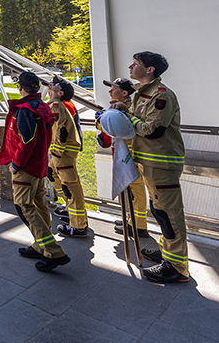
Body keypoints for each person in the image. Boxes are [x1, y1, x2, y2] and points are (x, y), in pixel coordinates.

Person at [110, 52, 188, 283]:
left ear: (150, 69)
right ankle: (167, 253)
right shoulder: (142, 94)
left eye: (136, 64)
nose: (131, 66)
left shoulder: (161, 95)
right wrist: (123, 110)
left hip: (162, 163)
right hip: (148, 162)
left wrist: (126, 115)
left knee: (169, 214)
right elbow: (137, 122)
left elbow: (152, 129)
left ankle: (176, 267)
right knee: (159, 211)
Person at [0, 71, 70, 272]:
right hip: (39, 165)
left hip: (27, 167)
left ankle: (54, 252)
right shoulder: (42, 107)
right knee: (40, 205)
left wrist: (17, 164)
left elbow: (26, 140)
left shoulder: (25, 109)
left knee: (23, 206)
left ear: (20, 88)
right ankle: (40, 246)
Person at [97, 77, 150, 238]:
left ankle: (138, 226)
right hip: (124, 154)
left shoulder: (126, 109)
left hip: (130, 155)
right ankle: (130, 220)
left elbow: (112, 128)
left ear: (125, 93)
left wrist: (99, 120)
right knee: (131, 190)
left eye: (113, 89)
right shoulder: (122, 107)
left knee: (136, 189)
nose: (110, 91)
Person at [47, 77, 88, 238]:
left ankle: (79, 226)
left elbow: (61, 132)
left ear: (60, 93)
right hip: (60, 154)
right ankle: (71, 209)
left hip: (63, 154)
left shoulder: (57, 106)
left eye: (55, 85)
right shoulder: (56, 105)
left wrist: (56, 152)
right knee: (53, 175)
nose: (51, 85)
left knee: (70, 188)